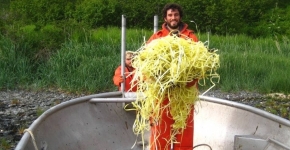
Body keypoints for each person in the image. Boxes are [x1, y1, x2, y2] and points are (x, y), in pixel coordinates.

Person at [147, 3, 198, 150]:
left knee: (184, 134)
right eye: (170, 15)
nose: (173, 18)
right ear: (165, 18)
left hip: (184, 95)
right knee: (160, 132)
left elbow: (199, 66)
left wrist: (187, 81)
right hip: (162, 95)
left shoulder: (191, 37)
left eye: (176, 15)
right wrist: (156, 80)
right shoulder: (156, 38)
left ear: (180, 16)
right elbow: (145, 64)